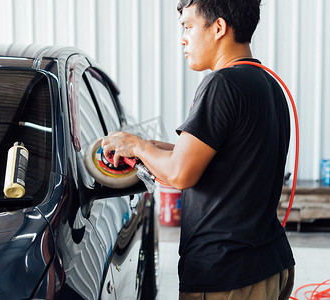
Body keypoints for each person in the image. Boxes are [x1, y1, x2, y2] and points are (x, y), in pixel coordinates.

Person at [101, 0, 295, 299]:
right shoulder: (268, 85)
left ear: (219, 27)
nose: (183, 38)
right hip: (269, 264)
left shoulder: (221, 84)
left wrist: (138, 145)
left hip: (226, 274)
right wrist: (146, 149)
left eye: (188, 26)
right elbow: (224, 157)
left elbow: (181, 173)